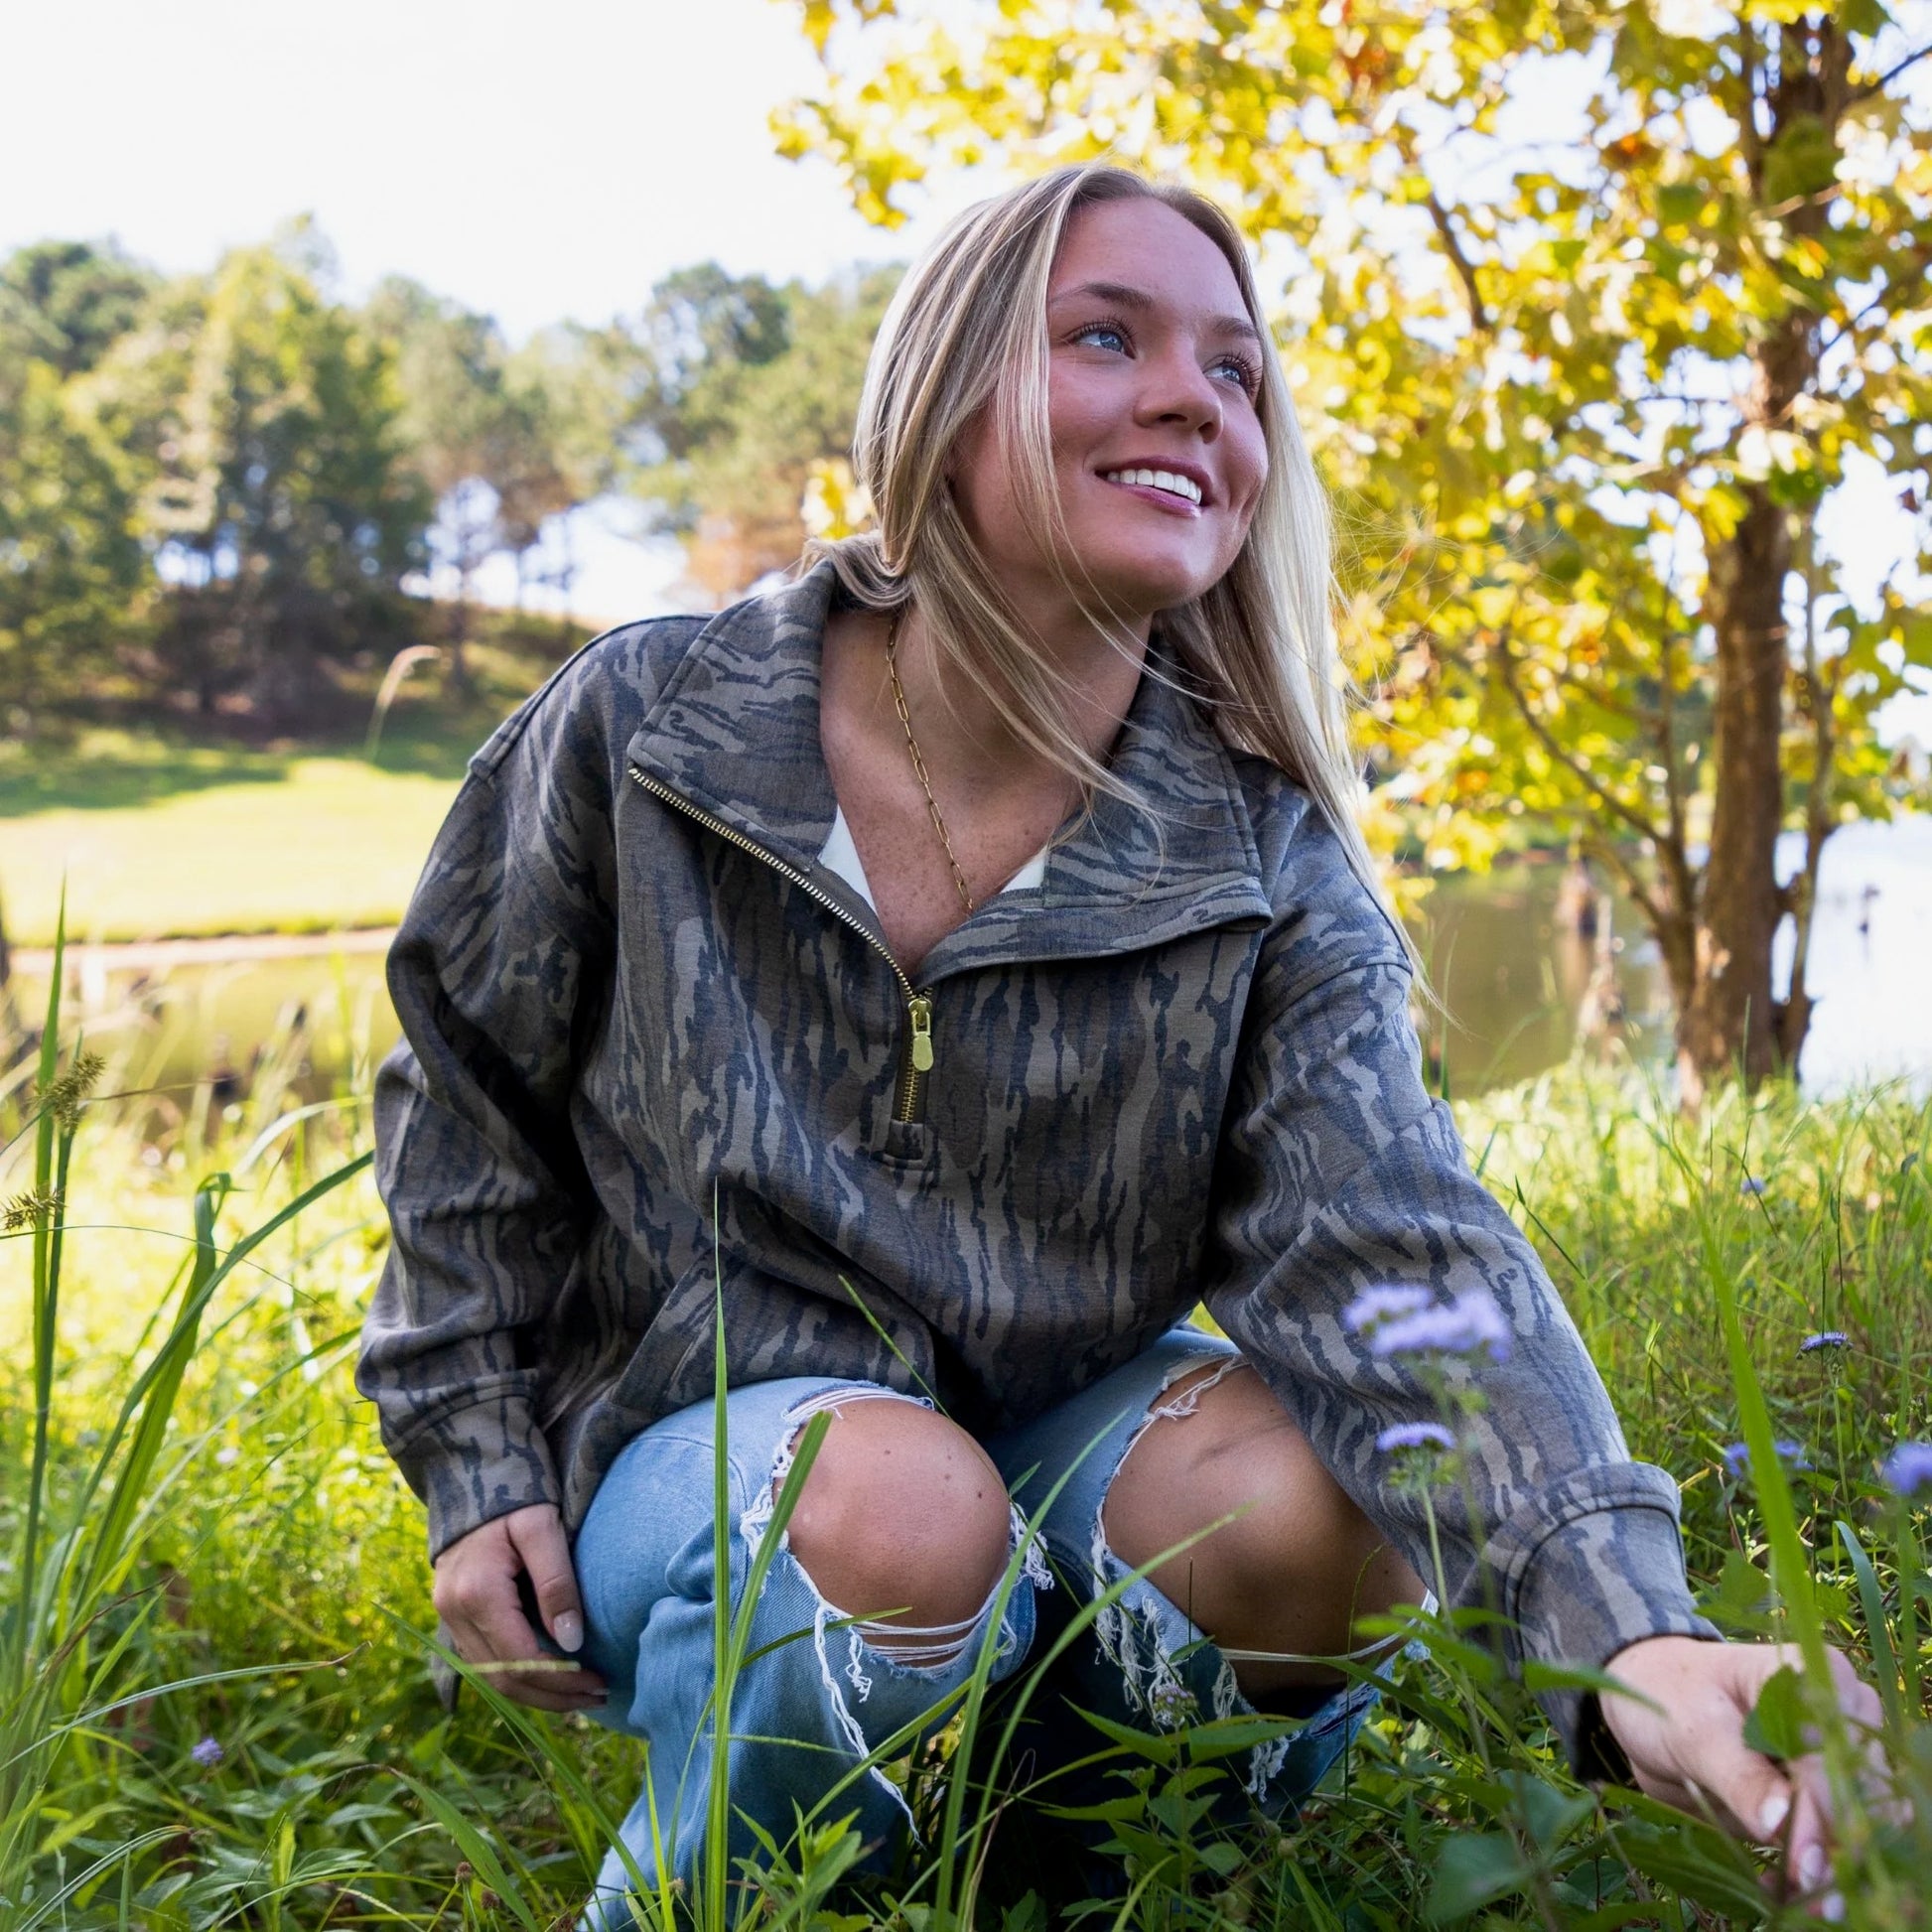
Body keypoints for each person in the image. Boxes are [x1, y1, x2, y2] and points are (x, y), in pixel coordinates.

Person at [357, 163, 1879, 1921]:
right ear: (946, 398)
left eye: (1236, 372)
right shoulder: (648, 725)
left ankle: (1058, 1899)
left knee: (1323, 1493)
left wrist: (1640, 1637)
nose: (1193, 399)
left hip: (1052, 1469)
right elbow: (462, 1092)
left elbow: (1402, 1249)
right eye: (1107, 337)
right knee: (899, 1507)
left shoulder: (1258, 851)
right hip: (712, 1471)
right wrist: (470, 1457)